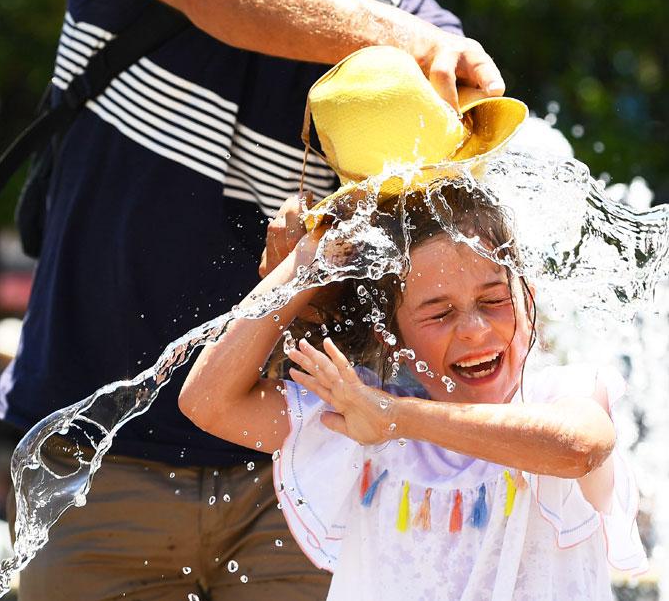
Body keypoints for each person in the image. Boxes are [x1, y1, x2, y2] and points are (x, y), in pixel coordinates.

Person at [2, 0, 505, 601]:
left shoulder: (424, 36)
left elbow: (417, 314)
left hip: (293, 490)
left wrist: (304, 294)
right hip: (87, 469)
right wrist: (408, 45)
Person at [179, 180, 648, 601]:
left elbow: (582, 447)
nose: (473, 330)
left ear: (528, 298)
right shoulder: (356, 416)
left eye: (494, 300)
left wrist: (396, 418)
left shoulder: (556, 393)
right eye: (439, 313)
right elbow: (207, 401)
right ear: (393, 338)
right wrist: (306, 264)